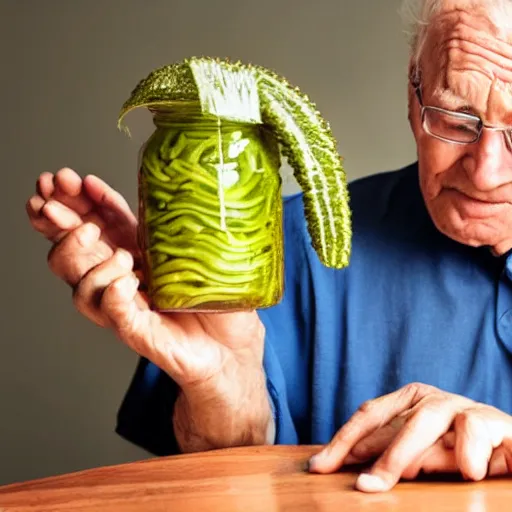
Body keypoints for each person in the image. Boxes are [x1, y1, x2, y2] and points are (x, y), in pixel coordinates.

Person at [26, 0, 512, 493]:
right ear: (414, 91)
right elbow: (231, 486)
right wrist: (219, 383)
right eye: (455, 117)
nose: (486, 170)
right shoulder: (277, 248)